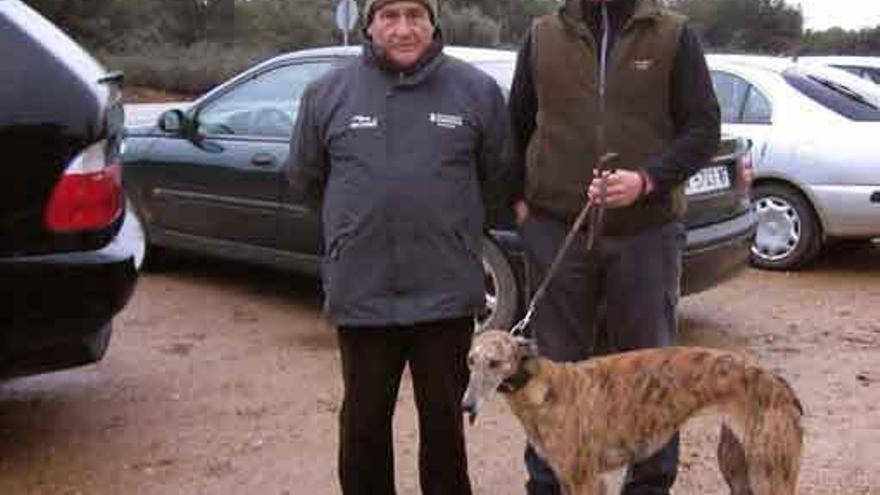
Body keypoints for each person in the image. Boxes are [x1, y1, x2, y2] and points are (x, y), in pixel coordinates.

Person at [287, 0, 512, 493]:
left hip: (445, 293)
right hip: (364, 292)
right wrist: (356, 227)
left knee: (443, 429)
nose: (404, 28)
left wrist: (449, 226)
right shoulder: (328, 92)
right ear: (369, 25)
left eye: (416, 15)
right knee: (363, 427)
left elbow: (497, 177)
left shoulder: (475, 91)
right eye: (389, 15)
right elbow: (307, 180)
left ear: (434, 23)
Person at [508, 0, 721, 494]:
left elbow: (703, 128)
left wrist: (648, 180)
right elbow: (515, 124)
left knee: (652, 372)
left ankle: (648, 484)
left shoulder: (673, 34)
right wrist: (519, 206)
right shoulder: (542, 35)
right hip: (558, 230)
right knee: (551, 372)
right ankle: (549, 482)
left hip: (645, 233)